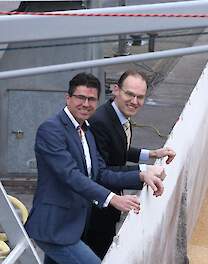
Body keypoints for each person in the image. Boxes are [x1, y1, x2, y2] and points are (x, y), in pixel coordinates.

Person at [24, 72, 166, 264]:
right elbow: (70, 175)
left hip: (73, 225)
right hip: (54, 228)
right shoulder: (51, 130)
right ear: (68, 98)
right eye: (80, 97)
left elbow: (100, 173)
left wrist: (141, 176)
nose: (86, 104)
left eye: (91, 99)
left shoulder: (86, 131)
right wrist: (113, 198)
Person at [82, 70, 176, 259]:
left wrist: (151, 154)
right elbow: (101, 172)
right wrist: (143, 171)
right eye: (130, 94)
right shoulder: (101, 122)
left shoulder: (118, 116)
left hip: (107, 205)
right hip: (95, 211)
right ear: (116, 90)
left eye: (140, 97)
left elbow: (118, 148)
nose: (134, 101)